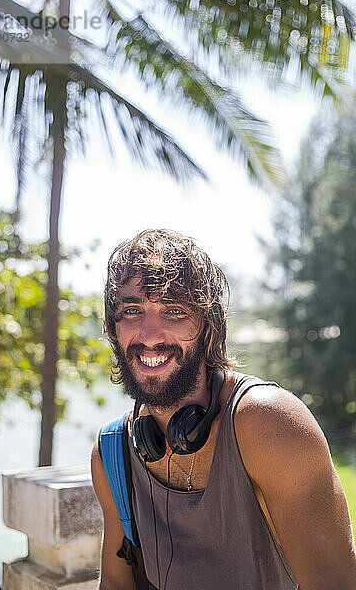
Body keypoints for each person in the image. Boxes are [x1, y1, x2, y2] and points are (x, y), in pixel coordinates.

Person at [91, 229, 356, 590]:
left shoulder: (268, 424)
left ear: (208, 328)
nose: (149, 334)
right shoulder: (112, 454)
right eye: (132, 310)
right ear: (113, 328)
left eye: (174, 310)